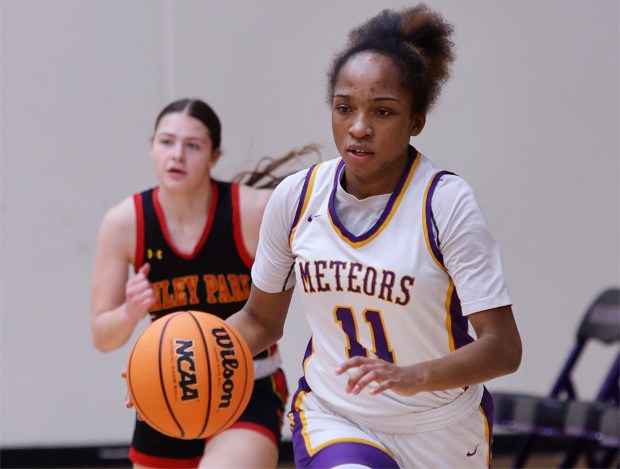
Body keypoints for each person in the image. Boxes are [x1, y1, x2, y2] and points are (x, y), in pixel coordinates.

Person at [226, 5, 523, 468]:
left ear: (416, 121)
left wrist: (413, 376)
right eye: (345, 108)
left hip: (440, 428)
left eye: (382, 111)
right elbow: (260, 321)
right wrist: (182, 358)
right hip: (337, 416)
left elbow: (503, 348)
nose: (358, 127)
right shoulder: (296, 199)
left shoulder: (444, 203)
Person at [90, 98, 318, 469]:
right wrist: (129, 313)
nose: (177, 155)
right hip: (164, 390)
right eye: (166, 142)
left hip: (246, 386)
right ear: (151, 148)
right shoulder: (124, 223)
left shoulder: (254, 211)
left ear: (214, 156)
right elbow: (103, 337)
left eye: (192, 145)